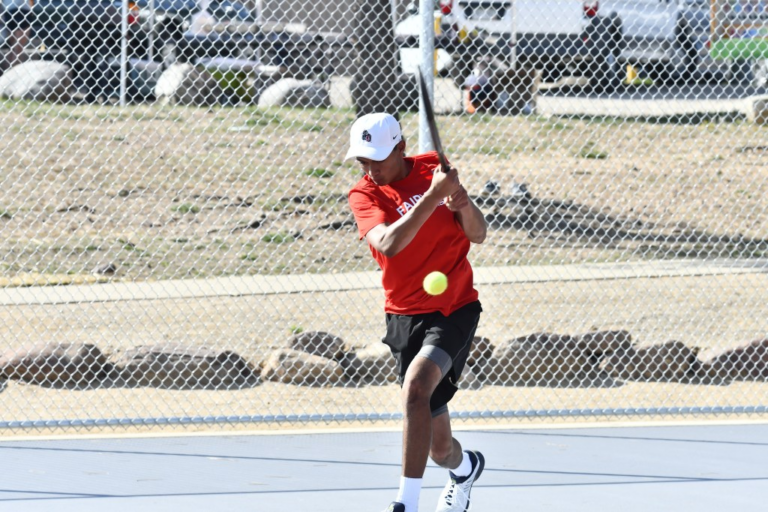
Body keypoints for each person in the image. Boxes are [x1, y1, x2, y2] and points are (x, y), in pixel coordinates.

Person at [345, 112, 488, 512]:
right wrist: (432, 197)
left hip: (455, 306)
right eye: (363, 160)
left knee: (416, 389)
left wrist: (460, 201)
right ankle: (465, 469)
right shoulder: (364, 195)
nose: (370, 168)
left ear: (401, 148)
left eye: (378, 158)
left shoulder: (432, 169)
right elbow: (389, 244)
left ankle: (405, 503)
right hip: (405, 315)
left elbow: (477, 233)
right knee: (441, 450)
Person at [2, 0, 31, 70]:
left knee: (12, 48)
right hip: (23, 11)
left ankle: (8, 73)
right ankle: (14, 73)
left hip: (8, 10)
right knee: (18, 49)